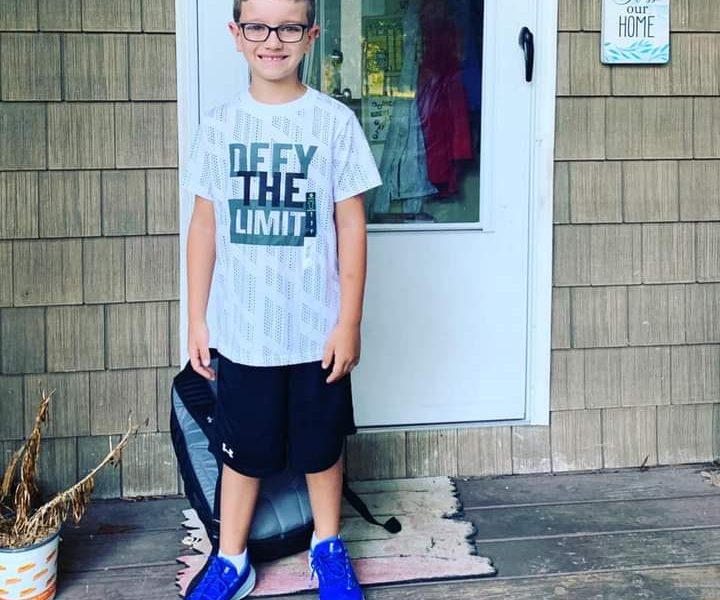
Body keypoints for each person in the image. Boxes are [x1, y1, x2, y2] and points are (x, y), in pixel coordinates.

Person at [182, 0, 382, 598]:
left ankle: (327, 546)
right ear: (236, 34)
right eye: (258, 26)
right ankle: (231, 557)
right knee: (241, 452)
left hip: (316, 332)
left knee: (321, 449)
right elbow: (204, 227)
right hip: (244, 333)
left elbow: (352, 226)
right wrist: (197, 318)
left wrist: (349, 321)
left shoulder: (333, 123)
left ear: (311, 34)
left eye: (289, 26)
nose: (273, 39)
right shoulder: (220, 127)